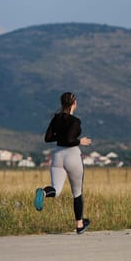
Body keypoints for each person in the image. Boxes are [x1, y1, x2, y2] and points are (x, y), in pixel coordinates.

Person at [35, 92, 92, 234]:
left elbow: (48, 138)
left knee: (56, 189)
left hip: (58, 156)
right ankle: (79, 225)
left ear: (62, 103)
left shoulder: (56, 119)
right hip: (72, 156)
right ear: (74, 103)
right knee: (77, 192)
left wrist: (59, 135)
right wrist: (81, 141)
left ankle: (43, 192)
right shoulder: (75, 121)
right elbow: (70, 139)